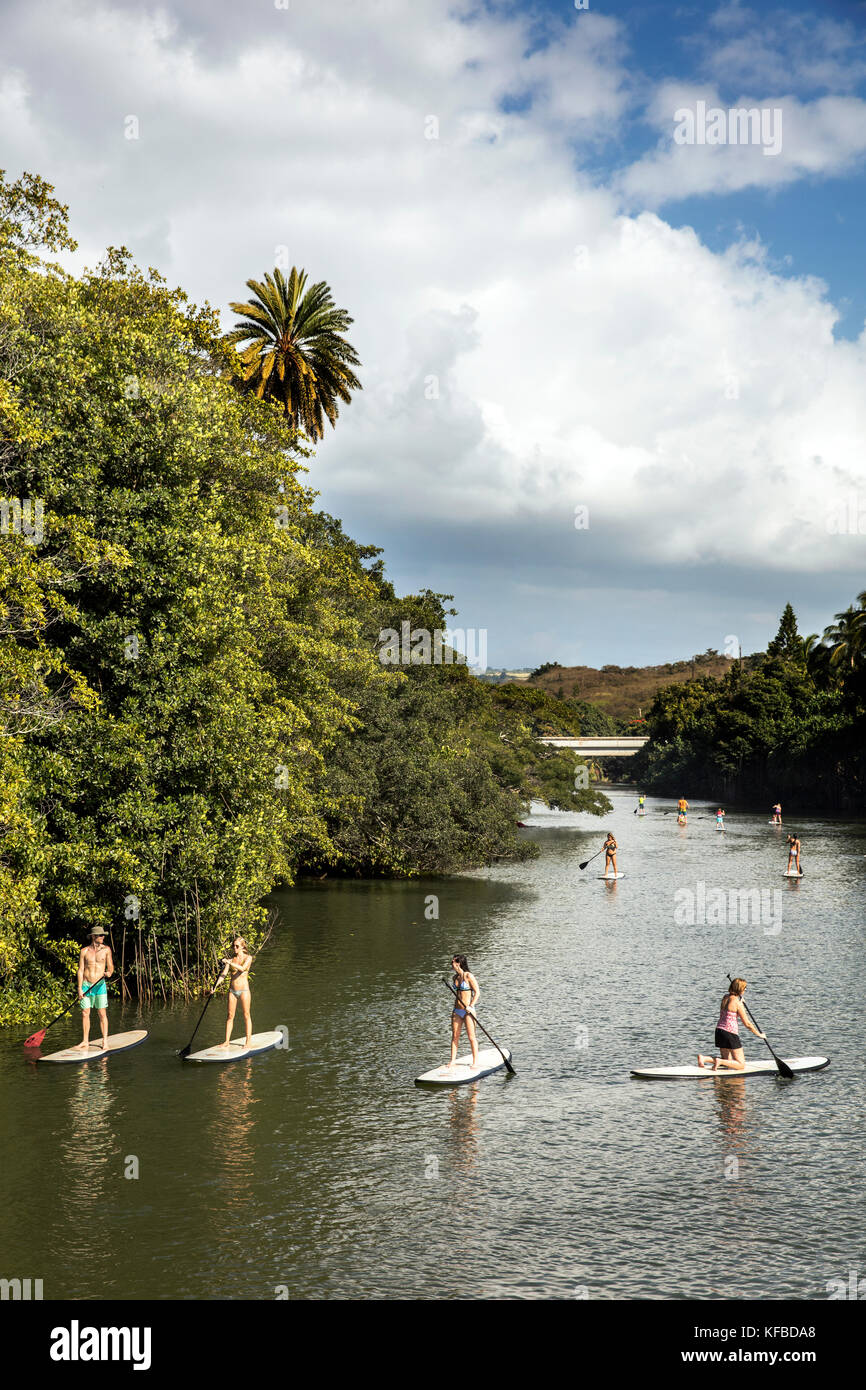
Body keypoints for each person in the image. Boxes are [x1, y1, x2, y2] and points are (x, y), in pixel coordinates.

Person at [698, 977, 765, 1072]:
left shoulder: (725, 998)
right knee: (741, 1065)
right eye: (744, 988)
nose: (745, 990)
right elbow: (747, 1024)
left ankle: (704, 1058)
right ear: (740, 989)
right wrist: (759, 1035)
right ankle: (719, 1061)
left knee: (727, 1062)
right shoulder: (737, 1003)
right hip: (730, 1033)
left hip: (719, 1031)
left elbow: (730, 1012)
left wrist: (740, 1002)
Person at [212, 936, 254, 1049]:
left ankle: (248, 1042)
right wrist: (215, 986)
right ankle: (226, 1041)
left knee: (246, 1015)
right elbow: (224, 974)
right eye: (233, 946)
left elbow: (242, 969)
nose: (234, 948)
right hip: (232, 991)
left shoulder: (248, 958)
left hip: (244, 990)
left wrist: (229, 963)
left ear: (242, 947)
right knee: (230, 1016)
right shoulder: (231, 960)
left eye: (237, 946)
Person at [75, 928, 114, 1050]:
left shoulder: (106, 950)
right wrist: (79, 988)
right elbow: (80, 970)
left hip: (100, 986)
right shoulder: (84, 951)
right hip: (86, 986)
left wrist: (109, 973)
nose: (103, 937)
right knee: (85, 1013)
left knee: (102, 1013)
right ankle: (85, 1041)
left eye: (103, 935)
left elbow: (111, 967)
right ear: (93, 936)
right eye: (100, 935)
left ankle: (105, 1041)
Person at [448, 954, 479, 1070]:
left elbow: (477, 993)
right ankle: (452, 1061)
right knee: (455, 1036)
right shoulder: (455, 978)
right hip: (457, 1010)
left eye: (452, 962)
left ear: (458, 963)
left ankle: (475, 1062)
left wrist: (471, 1006)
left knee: (471, 1037)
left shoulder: (468, 976)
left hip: (468, 1011)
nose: (451, 963)